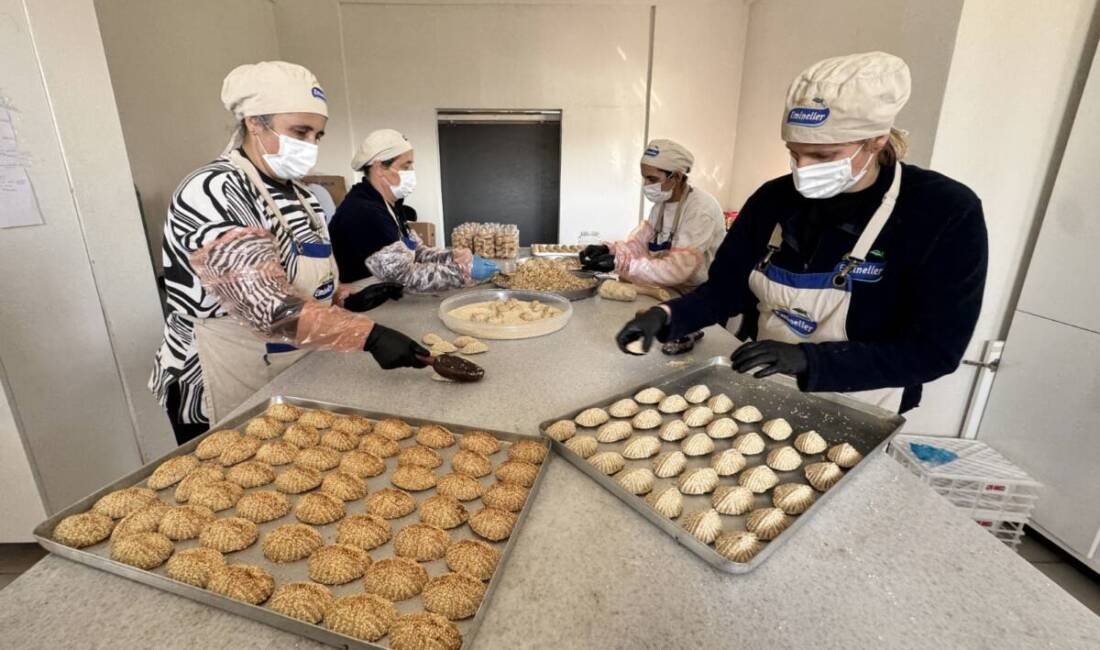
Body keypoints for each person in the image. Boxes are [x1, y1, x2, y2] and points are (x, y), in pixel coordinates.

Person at [615, 52, 988, 413]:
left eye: (823, 156)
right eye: (794, 153)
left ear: (875, 140)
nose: (803, 170)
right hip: (767, 383)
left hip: (864, 402)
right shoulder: (772, 200)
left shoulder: (943, 211)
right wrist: (666, 315)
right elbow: (726, 290)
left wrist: (808, 360)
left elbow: (933, 350)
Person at [149, 62, 428, 444]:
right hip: (222, 373)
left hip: (290, 363)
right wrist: (370, 336)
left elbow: (298, 275)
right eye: (300, 131)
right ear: (255, 122)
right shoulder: (214, 189)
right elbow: (265, 305)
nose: (311, 144)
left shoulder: (300, 195)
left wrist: (342, 299)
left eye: (317, 134)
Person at [581, 139, 726, 354]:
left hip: (698, 296)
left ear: (676, 177)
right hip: (670, 289)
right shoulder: (661, 206)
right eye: (644, 178)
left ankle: (690, 331)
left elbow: (677, 269)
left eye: (652, 179)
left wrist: (619, 263)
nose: (646, 185)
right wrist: (610, 250)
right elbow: (639, 244)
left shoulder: (700, 210)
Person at [329, 129, 499, 293]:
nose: (411, 173)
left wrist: (452, 256)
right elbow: (402, 275)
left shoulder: (390, 206)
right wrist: (462, 271)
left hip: (385, 294)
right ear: (379, 168)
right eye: (405, 166)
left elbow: (416, 252)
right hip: (365, 299)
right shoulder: (363, 212)